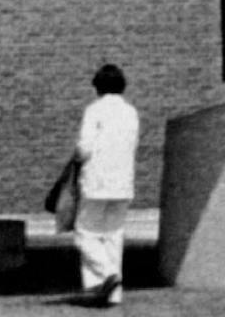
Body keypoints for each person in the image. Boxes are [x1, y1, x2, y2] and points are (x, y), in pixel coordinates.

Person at [74, 62, 138, 307]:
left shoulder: (95, 110)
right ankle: (112, 293)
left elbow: (84, 148)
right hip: (123, 183)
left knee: (85, 234)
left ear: (97, 87)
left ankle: (105, 275)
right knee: (113, 237)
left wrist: (76, 158)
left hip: (96, 182)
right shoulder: (130, 112)